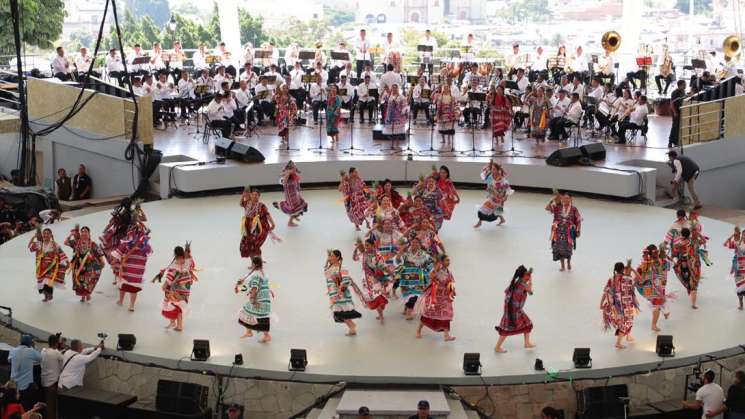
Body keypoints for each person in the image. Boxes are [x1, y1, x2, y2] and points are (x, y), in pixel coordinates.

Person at [111, 202, 151, 311]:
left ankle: (130, 304)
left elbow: (145, 219)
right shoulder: (130, 230)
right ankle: (122, 301)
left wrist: (140, 211)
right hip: (130, 258)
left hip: (137, 258)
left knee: (133, 284)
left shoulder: (141, 232)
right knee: (124, 281)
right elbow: (124, 243)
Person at [415, 254, 456, 341]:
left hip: (444, 297)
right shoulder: (436, 270)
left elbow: (450, 283)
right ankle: (418, 330)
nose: (449, 262)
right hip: (435, 296)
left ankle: (446, 335)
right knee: (428, 314)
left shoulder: (449, 272)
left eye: (449, 260)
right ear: (441, 261)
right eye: (447, 260)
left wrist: (453, 291)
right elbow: (431, 277)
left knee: (446, 314)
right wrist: (436, 270)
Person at [495, 265, 535, 352]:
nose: (528, 278)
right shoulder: (523, 285)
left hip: (511, 307)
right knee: (506, 329)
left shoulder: (516, 282)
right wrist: (531, 281)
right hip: (513, 309)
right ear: (523, 276)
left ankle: (527, 343)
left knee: (527, 324)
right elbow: (531, 292)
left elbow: (507, 292)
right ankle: (497, 347)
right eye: (527, 276)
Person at [600, 261, 640, 349]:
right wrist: (631, 269)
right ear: (623, 269)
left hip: (617, 306)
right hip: (626, 305)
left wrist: (601, 303)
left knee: (625, 322)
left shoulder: (611, 279)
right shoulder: (628, 278)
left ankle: (628, 335)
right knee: (626, 323)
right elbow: (639, 277)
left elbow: (606, 292)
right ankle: (618, 343)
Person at [159, 245, 198, 332]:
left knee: (173, 304)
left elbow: (169, 279)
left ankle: (174, 323)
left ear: (175, 254)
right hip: (186, 288)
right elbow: (192, 265)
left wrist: (164, 286)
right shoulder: (188, 261)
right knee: (180, 305)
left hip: (176, 288)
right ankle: (179, 325)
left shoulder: (174, 265)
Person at [236, 256, 272, 343]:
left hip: (259, 300)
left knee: (244, 313)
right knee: (260, 318)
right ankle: (252, 332)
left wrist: (252, 299)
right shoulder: (261, 272)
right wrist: (242, 282)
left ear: (253, 264)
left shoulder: (256, 274)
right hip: (265, 301)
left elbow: (254, 288)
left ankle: (253, 333)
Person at [635, 244, 671, 331]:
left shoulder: (661, 260)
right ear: (650, 253)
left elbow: (667, 267)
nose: (657, 253)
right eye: (655, 252)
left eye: (657, 251)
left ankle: (664, 313)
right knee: (657, 305)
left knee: (663, 304)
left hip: (659, 286)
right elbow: (640, 276)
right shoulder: (645, 263)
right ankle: (653, 325)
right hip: (649, 287)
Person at [325, 250, 362, 336]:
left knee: (342, 313)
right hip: (334, 294)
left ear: (337, 257)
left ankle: (352, 327)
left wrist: (340, 289)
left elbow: (346, 280)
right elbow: (327, 275)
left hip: (340, 295)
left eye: (332, 256)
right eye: (330, 256)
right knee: (340, 313)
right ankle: (352, 327)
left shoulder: (341, 268)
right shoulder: (330, 268)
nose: (330, 258)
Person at [65, 225, 105, 302]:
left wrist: (102, 261)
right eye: (82, 231)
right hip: (78, 265)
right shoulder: (76, 242)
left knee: (87, 281)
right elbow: (66, 242)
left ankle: (88, 294)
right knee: (79, 281)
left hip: (90, 265)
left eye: (86, 231)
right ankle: (83, 296)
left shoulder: (93, 244)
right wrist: (71, 235)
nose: (83, 233)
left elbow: (99, 253)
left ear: (89, 233)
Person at [28, 228, 69, 302]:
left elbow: (61, 253)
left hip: (51, 266)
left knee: (48, 280)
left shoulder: (54, 244)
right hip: (40, 267)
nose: (46, 235)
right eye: (44, 233)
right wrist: (34, 237)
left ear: (51, 235)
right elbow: (30, 247)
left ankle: (49, 295)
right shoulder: (39, 243)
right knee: (42, 283)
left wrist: (66, 262)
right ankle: (46, 295)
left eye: (47, 233)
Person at [545, 191, 582, 271]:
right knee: (559, 248)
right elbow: (547, 208)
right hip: (558, 231)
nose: (566, 199)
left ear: (571, 199)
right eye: (564, 198)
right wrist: (552, 200)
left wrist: (578, 230)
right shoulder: (558, 207)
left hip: (569, 232)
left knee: (568, 249)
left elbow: (579, 220)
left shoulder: (574, 209)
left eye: (567, 198)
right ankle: (562, 265)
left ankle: (568, 262)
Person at [239, 188, 277, 258]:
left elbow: (267, 214)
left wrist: (273, 224)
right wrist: (243, 196)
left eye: (256, 195)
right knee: (247, 245)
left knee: (255, 245)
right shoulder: (247, 203)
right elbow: (241, 204)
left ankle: (258, 262)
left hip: (259, 228)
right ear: (250, 195)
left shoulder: (261, 205)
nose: (254, 196)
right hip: (248, 228)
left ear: (259, 196)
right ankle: (254, 262)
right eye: (253, 194)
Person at [672, 228, 704, 309]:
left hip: (684, 266)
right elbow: (703, 241)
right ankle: (693, 304)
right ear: (689, 234)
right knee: (693, 285)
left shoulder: (679, 244)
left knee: (689, 284)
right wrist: (698, 234)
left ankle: (691, 293)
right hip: (694, 266)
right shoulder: (694, 242)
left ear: (682, 235)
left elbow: (674, 254)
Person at [474, 162, 512, 228]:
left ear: (498, 170)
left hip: (499, 200)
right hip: (491, 198)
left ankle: (502, 219)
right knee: (481, 211)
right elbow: (483, 175)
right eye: (492, 169)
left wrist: (505, 197)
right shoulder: (490, 176)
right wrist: (488, 165)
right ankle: (479, 222)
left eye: (494, 169)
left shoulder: (502, 180)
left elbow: (508, 189)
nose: (492, 170)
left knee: (494, 215)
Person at [9, 336, 41, 410]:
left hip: (13, 385)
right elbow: (40, 358)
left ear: (20, 342)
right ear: (30, 343)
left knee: (12, 406)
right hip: (25, 386)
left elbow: (10, 361)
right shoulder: (31, 351)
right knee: (24, 407)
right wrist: (33, 347)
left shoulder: (13, 350)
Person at [272, 161, 307, 227]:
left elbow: (297, 186)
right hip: (290, 197)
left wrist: (299, 194)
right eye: (293, 168)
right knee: (294, 209)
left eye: (295, 167)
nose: (294, 169)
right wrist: (287, 173)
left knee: (301, 205)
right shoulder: (287, 176)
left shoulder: (294, 176)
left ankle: (294, 216)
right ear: (289, 169)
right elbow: (284, 182)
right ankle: (290, 222)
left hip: (295, 195)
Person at [40, 334, 64, 419]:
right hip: (52, 384)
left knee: (47, 405)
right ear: (57, 343)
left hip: (44, 382)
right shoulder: (56, 353)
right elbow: (62, 363)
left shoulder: (43, 351)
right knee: (51, 408)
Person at [724, 227, 745, 310]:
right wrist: (732, 235)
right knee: (739, 285)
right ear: (742, 235)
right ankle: (741, 303)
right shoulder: (737, 243)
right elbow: (725, 244)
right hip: (738, 266)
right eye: (744, 235)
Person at [669, 80, 686, 147]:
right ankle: (670, 141)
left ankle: (676, 141)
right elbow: (672, 103)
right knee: (675, 127)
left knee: (678, 127)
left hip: (680, 111)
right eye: (684, 85)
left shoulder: (683, 92)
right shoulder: (675, 93)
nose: (685, 86)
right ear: (679, 85)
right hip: (675, 112)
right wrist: (675, 112)